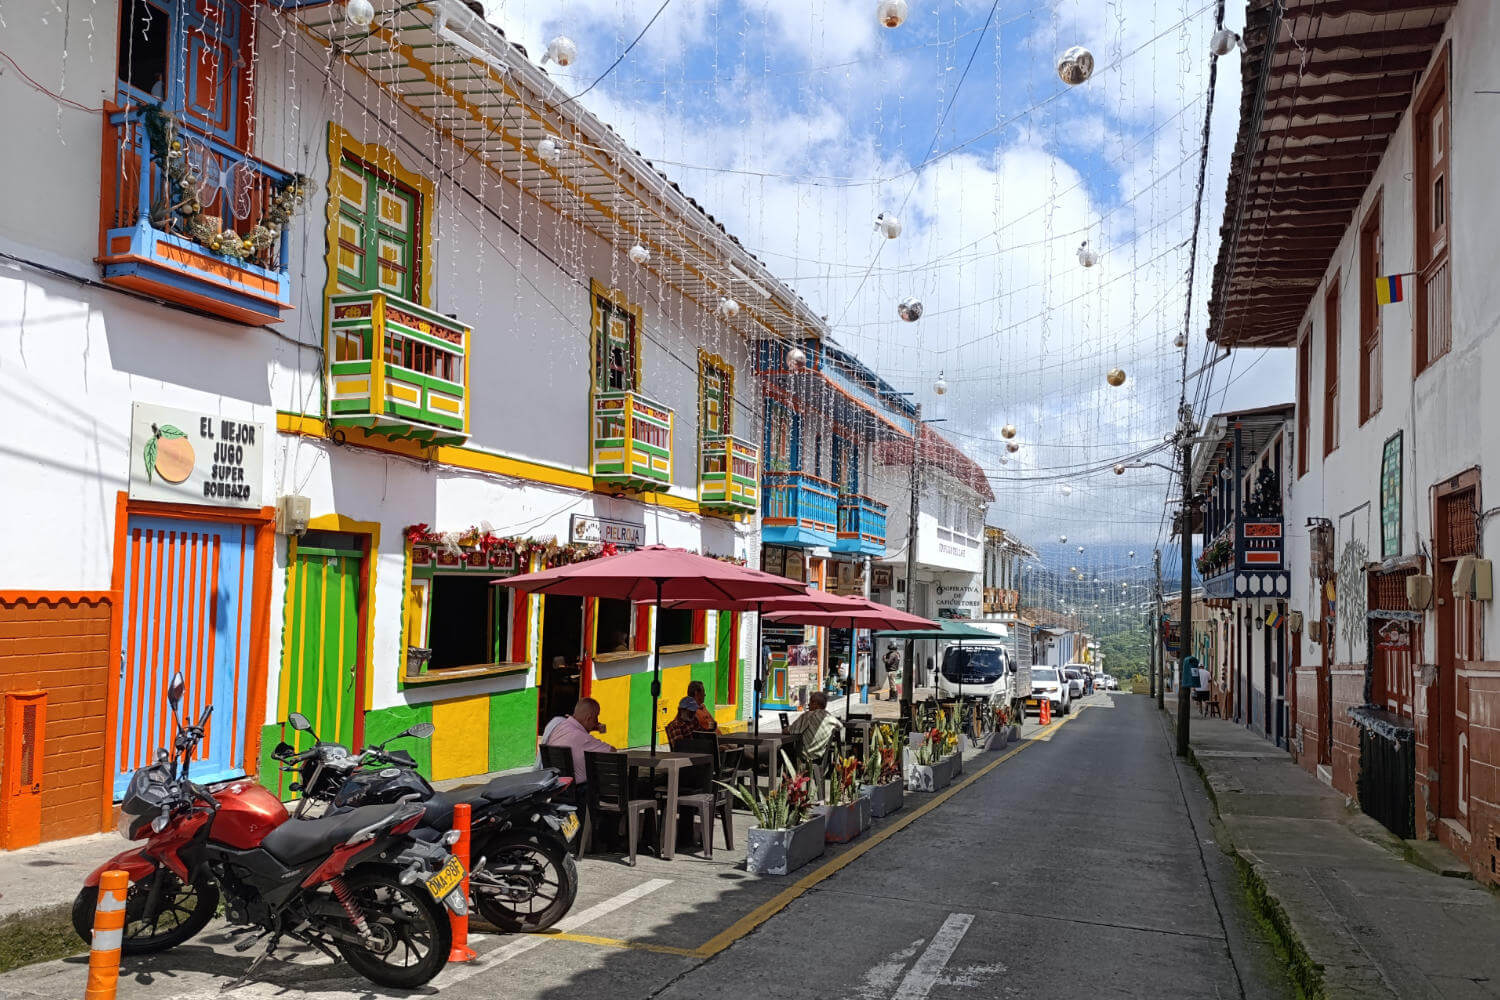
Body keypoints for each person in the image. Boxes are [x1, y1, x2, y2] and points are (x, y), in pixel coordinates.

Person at [540, 697, 614, 781]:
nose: (597, 721)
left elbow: (579, 726)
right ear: (589, 718)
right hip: (579, 790)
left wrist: (593, 727)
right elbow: (612, 752)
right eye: (596, 717)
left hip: (555, 785)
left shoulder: (558, 724)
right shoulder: (584, 739)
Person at [785, 690, 843, 765]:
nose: (808, 705)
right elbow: (840, 726)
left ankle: (778, 768)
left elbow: (790, 730)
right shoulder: (829, 717)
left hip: (807, 755)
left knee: (786, 746)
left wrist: (785, 729)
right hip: (821, 754)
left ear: (815, 704)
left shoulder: (808, 716)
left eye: (810, 702)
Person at [665, 681, 717, 745]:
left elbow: (703, 734)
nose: (693, 713)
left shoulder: (693, 721)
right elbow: (681, 748)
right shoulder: (675, 726)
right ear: (682, 711)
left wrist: (711, 729)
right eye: (691, 712)